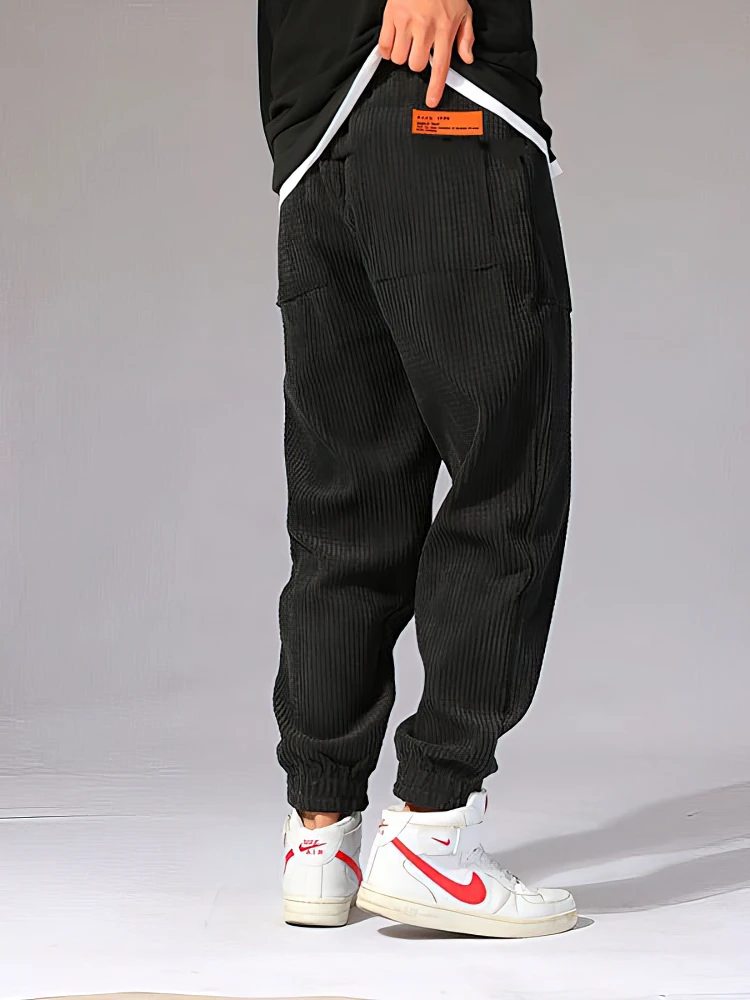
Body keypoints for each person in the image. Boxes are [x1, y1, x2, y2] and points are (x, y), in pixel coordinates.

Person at [258, 0, 575, 938]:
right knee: (506, 474)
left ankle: (321, 836)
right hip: (438, 90)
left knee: (345, 505)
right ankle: (433, 829)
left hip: (313, 135)